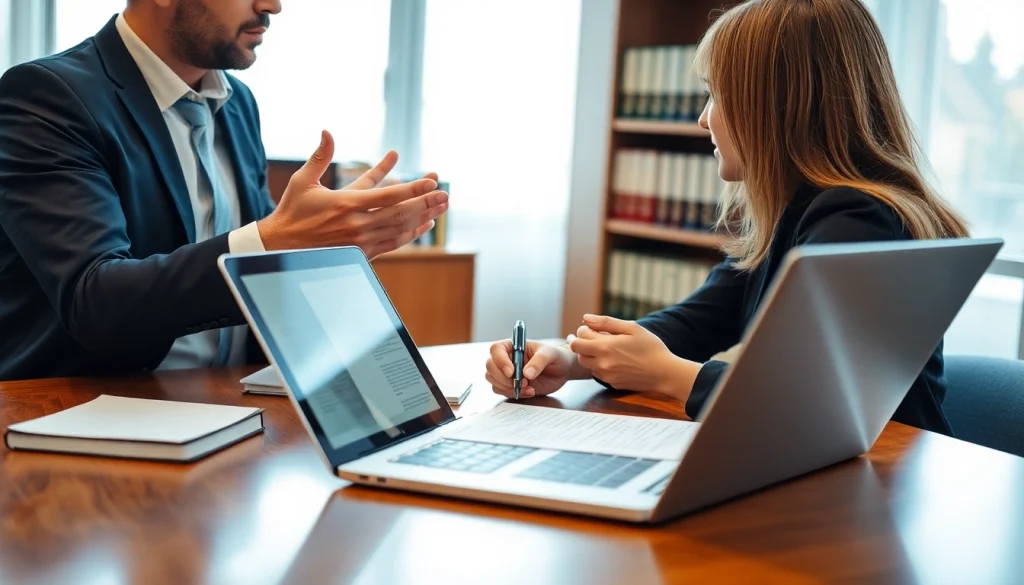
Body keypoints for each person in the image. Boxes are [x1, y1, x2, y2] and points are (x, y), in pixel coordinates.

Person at [485, 0, 969, 435]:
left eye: (717, 95)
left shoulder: (861, 221)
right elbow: (694, 323)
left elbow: (807, 405)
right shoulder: (798, 214)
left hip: (882, 489)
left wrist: (665, 373)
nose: (703, 119)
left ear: (777, 108)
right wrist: (574, 360)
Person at [0, 0, 448, 381]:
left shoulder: (238, 103)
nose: (273, 5)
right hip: (85, 417)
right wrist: (275, 241)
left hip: (230, 406)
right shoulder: (46, 97)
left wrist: (328, 248)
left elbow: (270, 278)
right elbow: (94, 298)